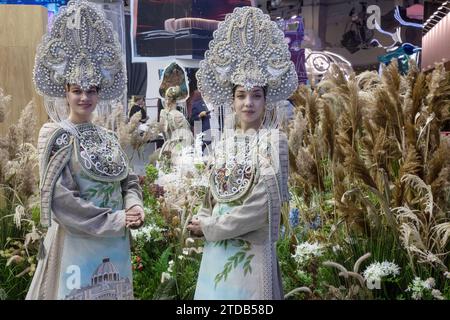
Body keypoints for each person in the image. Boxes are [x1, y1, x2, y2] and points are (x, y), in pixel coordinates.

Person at [26, 0, 144, 300]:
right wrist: (116, 220)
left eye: (91, 90)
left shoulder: (107, 136)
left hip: (115, 245)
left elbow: (128, 181)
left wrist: (134, 206)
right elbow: (63, 204)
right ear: (65, 91)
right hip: (78, 247)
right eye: (77, 90)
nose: (84, 97)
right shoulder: (56, 135)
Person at [187, 7, 298, 300]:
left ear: (266, 100)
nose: (248, 103)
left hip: (251, 255)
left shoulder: (275, 141)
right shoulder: (223, 143)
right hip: (216, 254)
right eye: (241, 95)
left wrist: (210, 227)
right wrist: (201, 217)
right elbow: (210, 195)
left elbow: (260, 209)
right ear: (232, 99)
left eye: (256, 95)